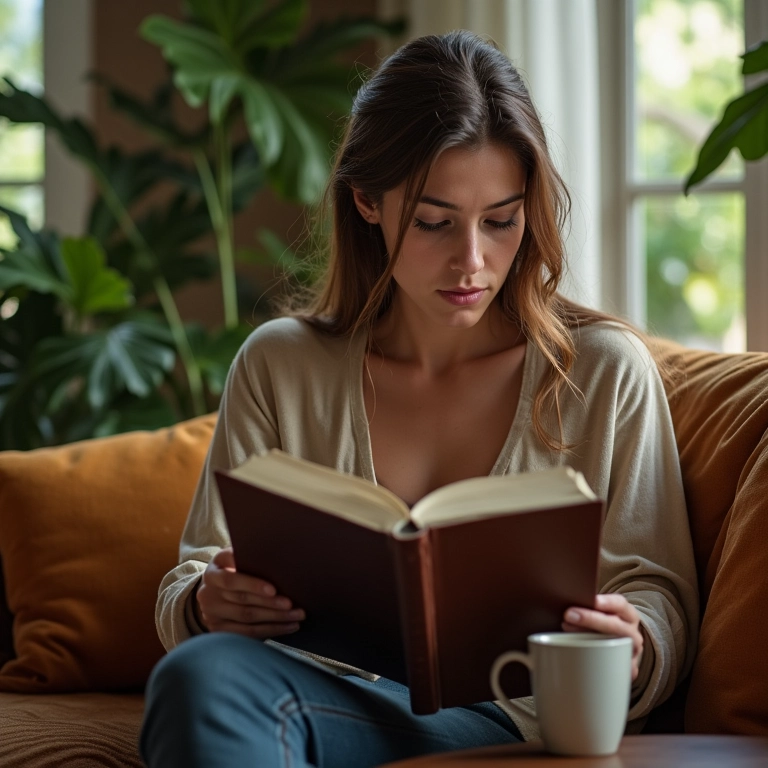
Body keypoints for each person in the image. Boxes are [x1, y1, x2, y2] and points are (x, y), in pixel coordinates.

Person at [139, 30, 699, 768]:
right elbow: (197, 567)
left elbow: (659, 592)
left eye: (501, 219)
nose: (473, 260)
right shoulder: (280, 364)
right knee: (198, 678)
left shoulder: (601, 372)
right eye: (435, 222)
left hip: (516, 719)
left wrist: (635, 641)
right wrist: (206, 603)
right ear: (367, 200)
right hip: (315, 701)